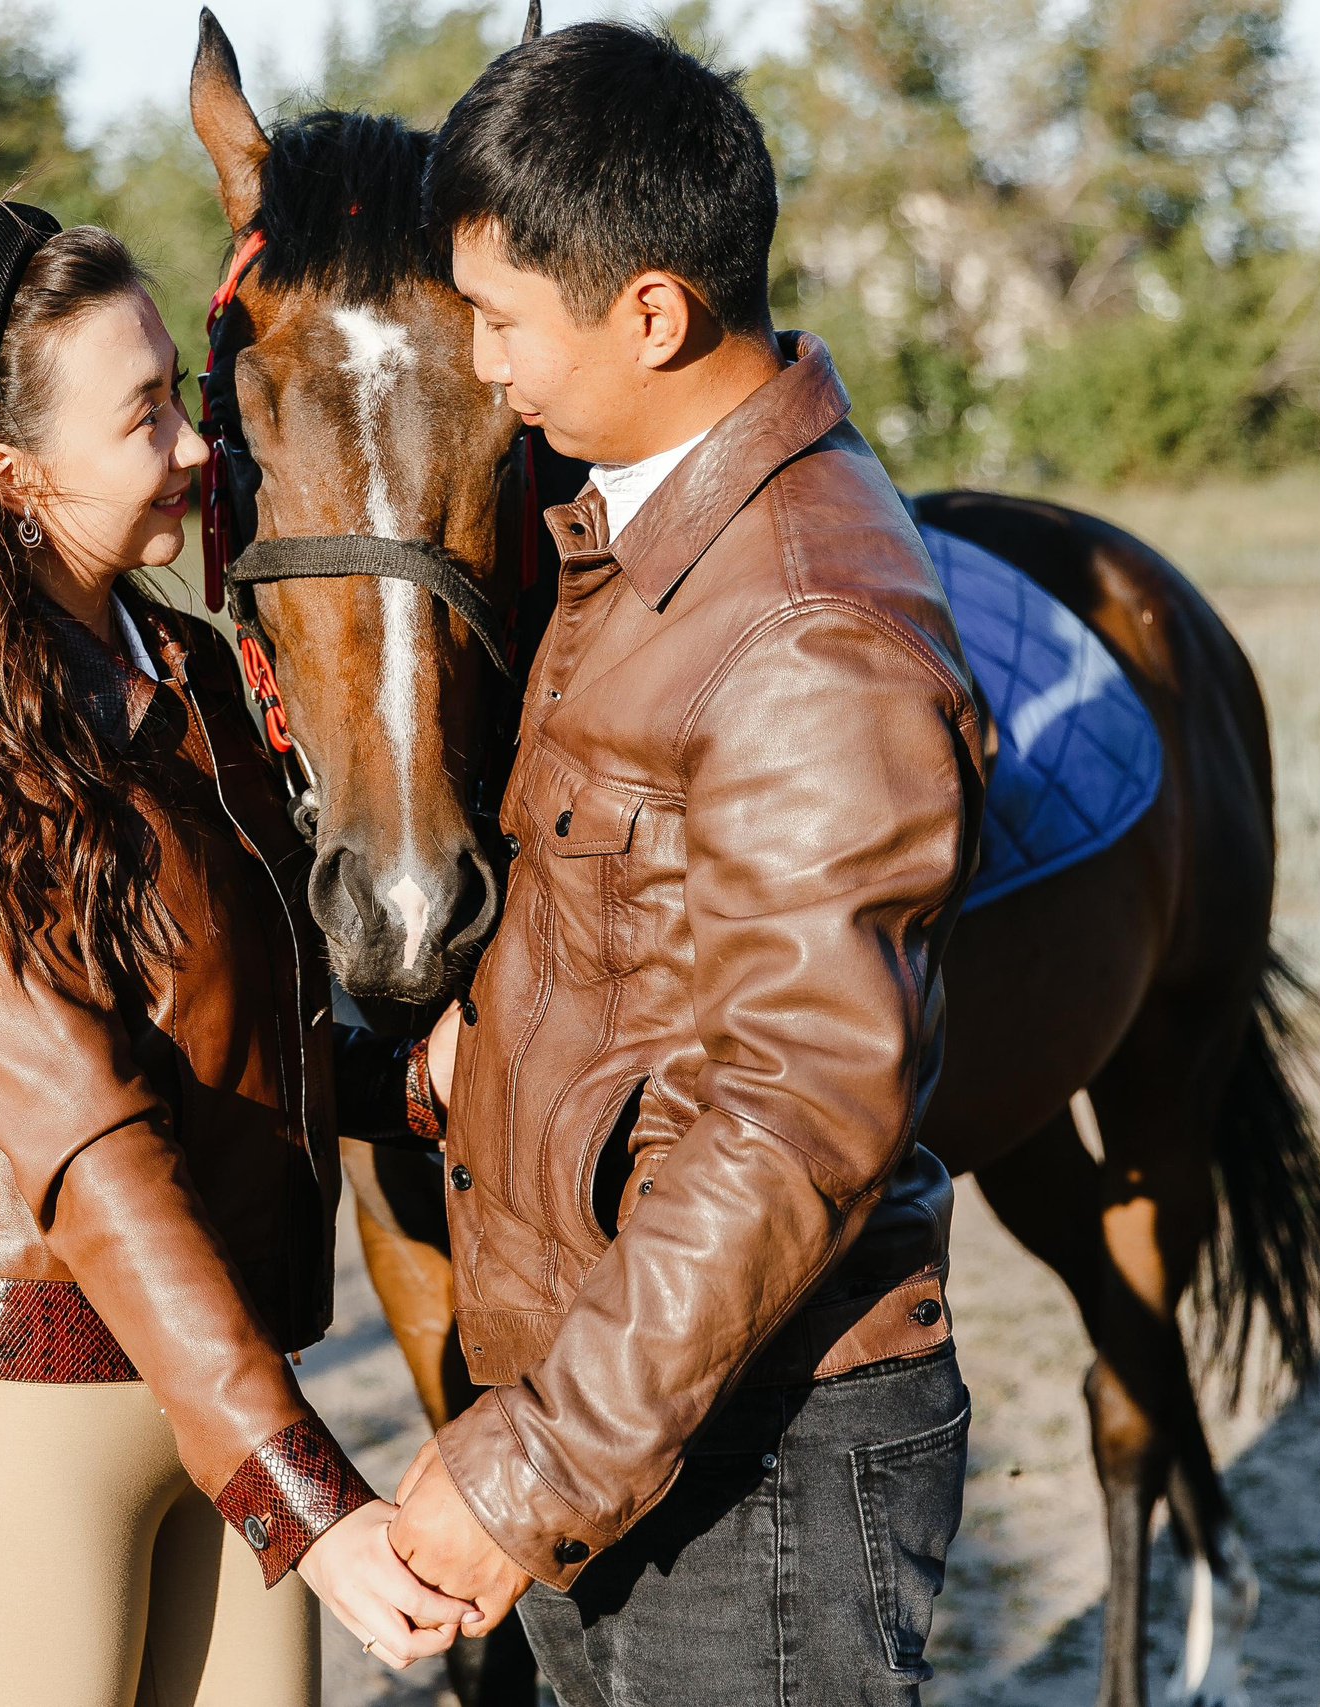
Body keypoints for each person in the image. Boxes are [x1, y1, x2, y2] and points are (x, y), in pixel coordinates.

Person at [383, 25, 992, 1706]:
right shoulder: (645, 550)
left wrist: (529, 1472)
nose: (485, 366)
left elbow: (797, 1109)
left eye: (501, 319)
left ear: (651, 311)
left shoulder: (799, 627)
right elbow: (634, 940)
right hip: (641, 1414)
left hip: (752, 1461)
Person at [0, 201, 470, 1707]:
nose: (198, 446)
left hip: (215, 1385)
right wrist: (310, 1494)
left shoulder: (185, 667)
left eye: (181, 392)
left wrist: (430, 1082)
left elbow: (254, 1021)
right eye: (146, 415)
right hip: (14, 1426)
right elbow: (98, 1150)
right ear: (16, 481)